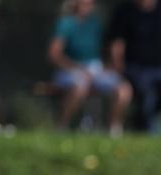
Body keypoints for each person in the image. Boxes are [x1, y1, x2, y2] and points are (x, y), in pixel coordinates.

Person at [48, 0, 132, 135]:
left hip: (95, 70)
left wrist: (109, 66)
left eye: (90, 3)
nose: (87, 6)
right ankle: (61, 127)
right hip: (69, 70)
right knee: (80, 87)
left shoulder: (95, 24)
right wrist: (78, 68)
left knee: (124, 90)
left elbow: (105, 52)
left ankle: (113, 129)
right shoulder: (65, 24)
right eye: (84, 3)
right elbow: (54, 55)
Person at [106, 0, 161, 133]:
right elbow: (117, 42)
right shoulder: (125, 11)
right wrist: (118, 67)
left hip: (160, 69)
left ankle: (138, 120)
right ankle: (152, 132)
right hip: (134, 68)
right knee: (147, 92)